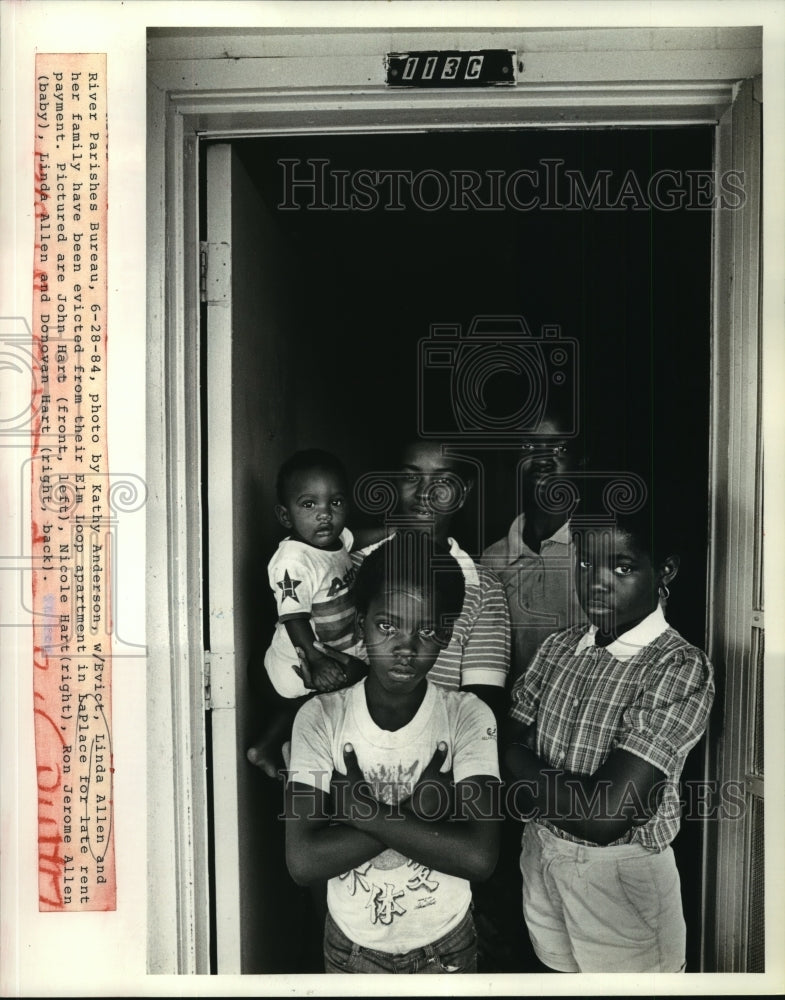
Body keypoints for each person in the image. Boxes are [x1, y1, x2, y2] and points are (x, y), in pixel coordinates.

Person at [502, 486, 715, 973]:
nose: (596, 584)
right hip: (540, 855)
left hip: (621, 879)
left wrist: (517, 760)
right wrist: (530, 770)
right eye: (585, 565)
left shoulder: (677, 667)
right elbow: (502, 746)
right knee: (555, 973)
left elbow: (603, 816)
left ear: (665, 571)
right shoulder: (560, 648)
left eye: (622, 568)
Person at [285, 533, 501, 974]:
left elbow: (479, 857)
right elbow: (303, 862)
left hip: (447, 946)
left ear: (446, 634)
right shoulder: (320, 717)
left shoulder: (467, 717)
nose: (406, 648)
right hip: (351, 949)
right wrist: (420, 812)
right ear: (361, 622)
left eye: (427, 631)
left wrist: (360, 812)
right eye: (388, 625)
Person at [482, 410, 587, 687]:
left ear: (581, 461)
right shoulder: (492, 560)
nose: (542, 459)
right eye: (528, 447)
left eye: (559, 448)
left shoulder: (600, 552)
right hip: (512, 718)